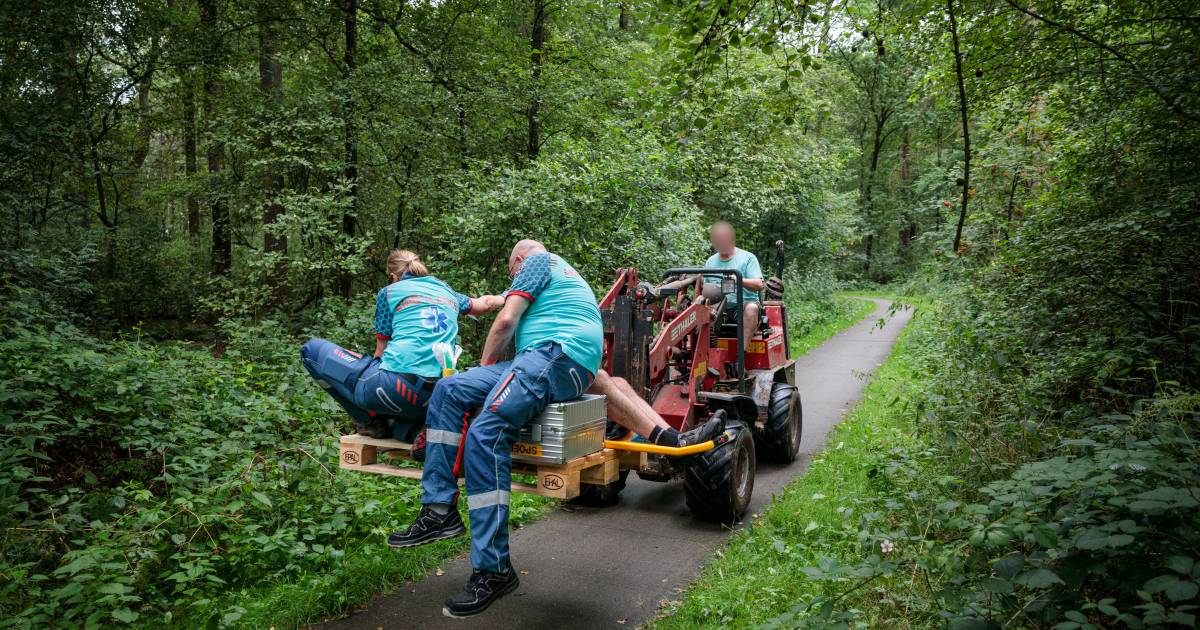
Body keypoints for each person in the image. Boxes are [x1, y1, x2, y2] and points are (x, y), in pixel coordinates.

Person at [388, 240, 608, 617]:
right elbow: (500, 306)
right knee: (449, 389)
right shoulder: (553, 277)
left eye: (511, 271)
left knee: (485, 434)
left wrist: (483, 367)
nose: (513, 278)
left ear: (519, 260)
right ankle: (439, 509)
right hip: (537, 357)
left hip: (557, 354)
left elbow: (505, 321)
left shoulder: (538, 261)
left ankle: (494, 569)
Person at [300, 250, 503, 442]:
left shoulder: (390, 292)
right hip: (439, 395)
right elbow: (483, 304)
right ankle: (412, 430)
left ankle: (368, 421)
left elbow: (381, 351)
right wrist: (508, 294)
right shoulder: (447, 292)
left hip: (394, 388)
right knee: (401, 409)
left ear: (392, 277)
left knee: (311, 352)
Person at [705, 221, 765, 349]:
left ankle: (740, 357)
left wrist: (738, 280)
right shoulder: (710, 262)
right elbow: (707, 291)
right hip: (718, 306)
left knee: (752, 309)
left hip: (743, 305)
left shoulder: (748, 258)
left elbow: (759, 284)